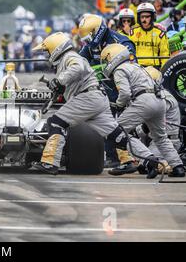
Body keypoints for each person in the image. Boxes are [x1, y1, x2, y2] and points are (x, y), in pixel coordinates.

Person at [31, 33, 159, 177]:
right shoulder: (69, 59)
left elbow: (77, 68)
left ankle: (50, 162)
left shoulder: (70, 57)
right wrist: (59, 87)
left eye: (47, 51)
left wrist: (59, 80)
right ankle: (150, 160)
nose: (47, 55)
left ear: (55, 49)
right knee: (118, 136)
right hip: (97, 98)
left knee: (56, 122)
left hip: (87, 98)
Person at [100, 44, 185, 178]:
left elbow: (125, 93)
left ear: (113, 57)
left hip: (144, 101)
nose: (106, 63)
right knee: (160, 137)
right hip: (159, 100)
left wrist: (118, 105)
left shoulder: (120, 70)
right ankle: (178, 167)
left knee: (116, 131)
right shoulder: (137, 66)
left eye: (106, 60)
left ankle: (148, 160)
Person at [78, 14, 138, 167]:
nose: (86, 42)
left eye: (88, 37)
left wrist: (94, 69)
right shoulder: (90, 46)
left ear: (97, 32)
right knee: (105, 124)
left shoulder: (122, 42)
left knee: (124, 126)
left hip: (124, 89)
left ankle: (133, 158)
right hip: (104, 90)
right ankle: (113, 158)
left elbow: (131, 66)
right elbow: (79, 62)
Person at [137, 66, 184, 175]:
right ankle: (166, 163)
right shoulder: (152, 96)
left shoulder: (163, 97)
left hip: (168, 141)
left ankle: (169, 165)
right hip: (157, 140)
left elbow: (147, 124)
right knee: (143, 166)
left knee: (145, 167)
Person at [129, 3, 170, 69]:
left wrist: (163, 70)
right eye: (142, 17)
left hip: (154, 68)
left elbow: (165, 55)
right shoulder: (132, 32)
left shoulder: (160, 34)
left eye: (147, 17)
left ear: (153, 17)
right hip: (136, 68)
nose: (144, 20)